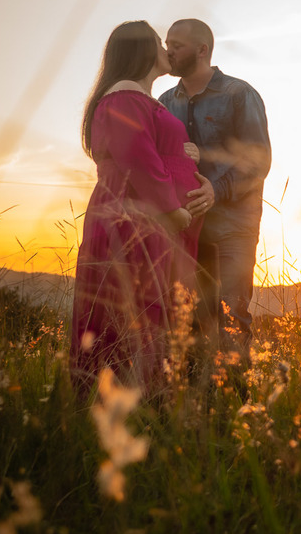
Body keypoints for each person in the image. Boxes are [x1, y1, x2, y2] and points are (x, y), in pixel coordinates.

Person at [70, 20, 211, 398]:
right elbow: (136, 156)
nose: (166, 48)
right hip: (138, 219)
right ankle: (123, 405)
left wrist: (187, 154)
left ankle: (145, 404)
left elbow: (151, 148)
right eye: (158, 41)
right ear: (141, 52)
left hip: (150, 221)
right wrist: (172, 210)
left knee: (149, 310)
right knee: (132, 308)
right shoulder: (125, 96)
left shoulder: (141, 100)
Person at [159, 18, 270, 358]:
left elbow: (257, 162)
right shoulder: (164, 101)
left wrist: (215, 191)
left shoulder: (240, 94)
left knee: (233, 319)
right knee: (188, 324)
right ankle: (196, 409)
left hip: (232, 227)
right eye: (167, 43)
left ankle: (236, 408)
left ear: (202, 50)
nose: (168, 51)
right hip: (185, 228)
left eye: (176, 44)